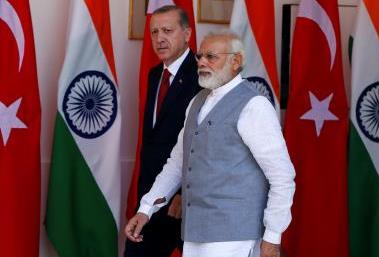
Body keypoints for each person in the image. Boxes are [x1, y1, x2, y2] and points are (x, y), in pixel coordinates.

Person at [125, 30, 296, 257]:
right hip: (194, 233)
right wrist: (146, 209)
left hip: (236, 237)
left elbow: (282, 176)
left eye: (211, 57)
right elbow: (178, 162)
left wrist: (273, 237)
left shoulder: (254, 105)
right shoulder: (197, 101)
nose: (202, 62)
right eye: (199, 56)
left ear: (236, 61)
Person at [124, 5, 201, 257]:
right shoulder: (155, 74)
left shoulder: (203, 75)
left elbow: (205, 141)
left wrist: (182, 191)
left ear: (187, 34)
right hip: (151, 194)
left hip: (185, 199)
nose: (159, 38)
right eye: (154, 31)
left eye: (168, 30)